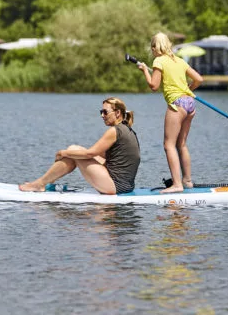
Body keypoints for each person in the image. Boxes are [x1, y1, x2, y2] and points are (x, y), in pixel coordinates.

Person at [19, 97, 140, 194]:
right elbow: (102, 154)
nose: (102, 115)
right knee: (77, 152)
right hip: (126, 186)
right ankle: (43, 182)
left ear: (117, 113)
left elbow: (90, 154)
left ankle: (40, 184)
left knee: (73, 150)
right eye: (101, 112)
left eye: (105, 112)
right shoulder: (127, 130)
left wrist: (63, 153)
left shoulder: (114, 131)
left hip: (115, 186)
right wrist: (76, 154)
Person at [136, 32, 202, 193]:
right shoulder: (179, 60)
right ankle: (187, 181)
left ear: (154, 48)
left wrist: (145, 70)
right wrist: (187, 89)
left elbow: (153, 86)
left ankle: (177, 185)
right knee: (181, 144)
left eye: (152, 48)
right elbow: (199, 79)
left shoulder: (159, 60)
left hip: (177, 104)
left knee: (168, 145)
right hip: (190, 103)